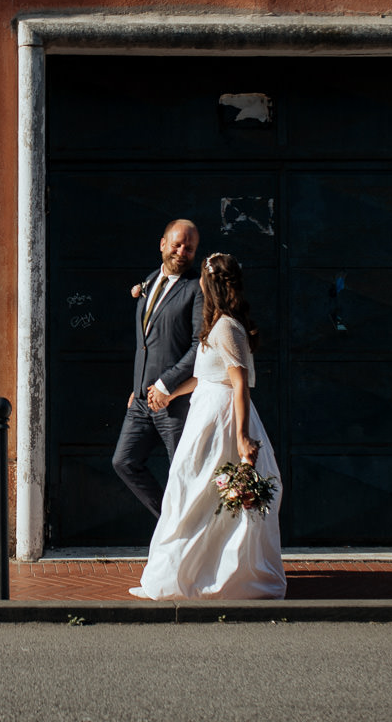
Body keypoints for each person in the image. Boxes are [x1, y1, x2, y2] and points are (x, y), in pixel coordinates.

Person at [131, 251, 285, 600]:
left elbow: (238, 383)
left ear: (209, 282)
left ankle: (222, 577)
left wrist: (243, 436)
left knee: (203, 492)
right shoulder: (215, 323)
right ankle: (190, 572)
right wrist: (169, 394)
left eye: (202, 275)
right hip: (205, 411)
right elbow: (203, 377)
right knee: (192, 492)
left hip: (221, 420)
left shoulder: (228, 327)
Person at [112, 219, 203, 519]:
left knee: (184, 474)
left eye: (188, 248)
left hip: (176, 403)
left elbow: (199, 346)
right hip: (140, 401)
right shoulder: (150, 282)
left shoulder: (196, 288)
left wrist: (166, 385)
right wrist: (138, 385)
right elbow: (147, 344)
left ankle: (190, 545)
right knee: (124, 462)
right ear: (162, 244)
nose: (181, 251)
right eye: (176, 244)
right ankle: (170, 524)